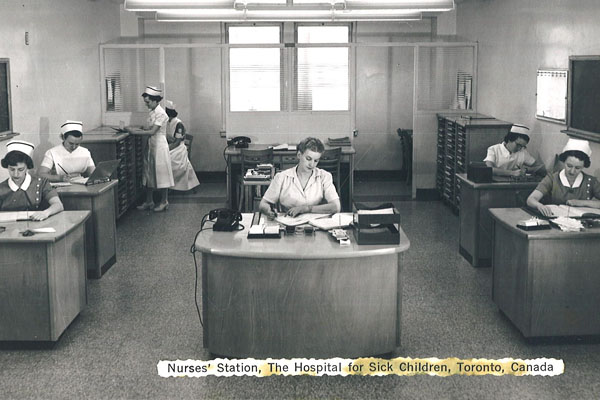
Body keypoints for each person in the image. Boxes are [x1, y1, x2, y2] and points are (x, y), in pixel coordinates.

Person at [259, 137, 341, 218]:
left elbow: (336, 207)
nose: (311, 164)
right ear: (299, 155)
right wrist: (269, 211)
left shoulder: (324, 176)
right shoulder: (281, 177)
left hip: (314, 223)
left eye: (316, 161)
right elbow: (263, 204)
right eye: (308, 159)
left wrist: (305, 209)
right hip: (288, 222)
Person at [126, 86, 174, 212]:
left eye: (147, 102)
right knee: (148, 173)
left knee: (161, 173)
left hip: (159, 146)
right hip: (152, 145)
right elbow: (148, 128)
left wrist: (134, 132)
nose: (146, 105)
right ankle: (149, 201)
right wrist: (135, 128)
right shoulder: (152, 112)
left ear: (155, 100)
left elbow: (152, 131)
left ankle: (164, 201)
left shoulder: (161, 113)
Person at [527, 138, 600, 217]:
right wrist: (539, 206)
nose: (572, 171)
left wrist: (580, 202)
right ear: (564, 161)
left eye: (577, 168)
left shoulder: (591, 181)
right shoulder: (552, 178)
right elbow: (531, 199)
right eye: (569, 166)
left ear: (583, 167)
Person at [0, 140, 64, 220]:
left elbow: (58, 205)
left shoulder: (41, 183)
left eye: (20, 169)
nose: (16, 174)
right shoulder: (1, 188)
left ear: (27, 167)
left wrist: (45, 213)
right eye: (12, 169)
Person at [164, 100, 200, 191]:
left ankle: (168, 185)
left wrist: (166, 149)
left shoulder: (178, 124)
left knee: (167, 159)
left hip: (178, 147)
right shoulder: (169, 123)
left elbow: (177, 142)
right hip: (172, 145)